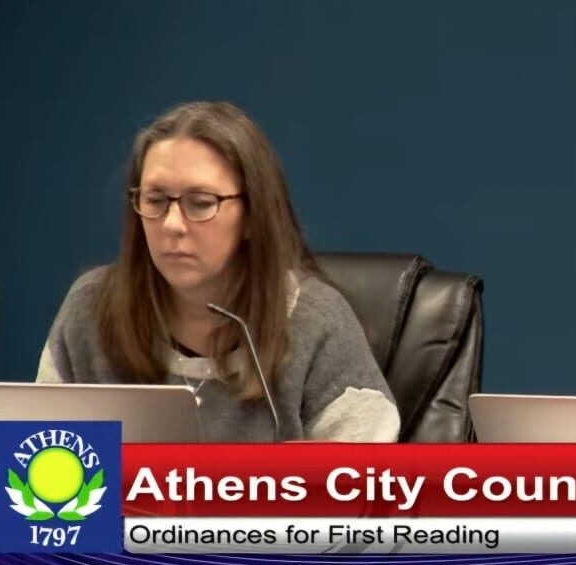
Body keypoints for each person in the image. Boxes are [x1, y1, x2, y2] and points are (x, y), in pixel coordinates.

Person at [37, 101, 400, 443]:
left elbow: (361, 485)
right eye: (155, 200)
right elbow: (36, 469)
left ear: (252, 216)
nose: (173, 224)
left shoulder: (316, 322)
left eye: (201, 203)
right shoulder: (90, 308)